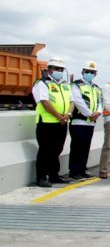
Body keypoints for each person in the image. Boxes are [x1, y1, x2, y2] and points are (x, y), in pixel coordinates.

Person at [33, 56, 73, 187]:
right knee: (45, 150)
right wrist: (58, 116)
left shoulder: (65, 85)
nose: (59, 71)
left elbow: (72, 101)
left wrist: (67, 114)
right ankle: (41, 177)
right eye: (56, 68)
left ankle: (54, 175)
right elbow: (45, 102)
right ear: (49, 69)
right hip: (46, 122)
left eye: (61, 69)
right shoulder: (42, 83)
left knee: (57, 149)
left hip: (61, 123)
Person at [69, 60, 102, 180]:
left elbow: (100, 102)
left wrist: (98, 112)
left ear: (95, 74)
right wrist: (90, 114)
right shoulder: (76, 85)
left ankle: (82, 170)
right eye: (88, 71)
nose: (90, 73)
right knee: (77, 147)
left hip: (90, 123)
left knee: (85, 148)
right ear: (83, 72)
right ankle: (74, 172)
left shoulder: (96, 87)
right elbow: (78, 102)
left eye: (92, 72)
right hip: (78, 121)